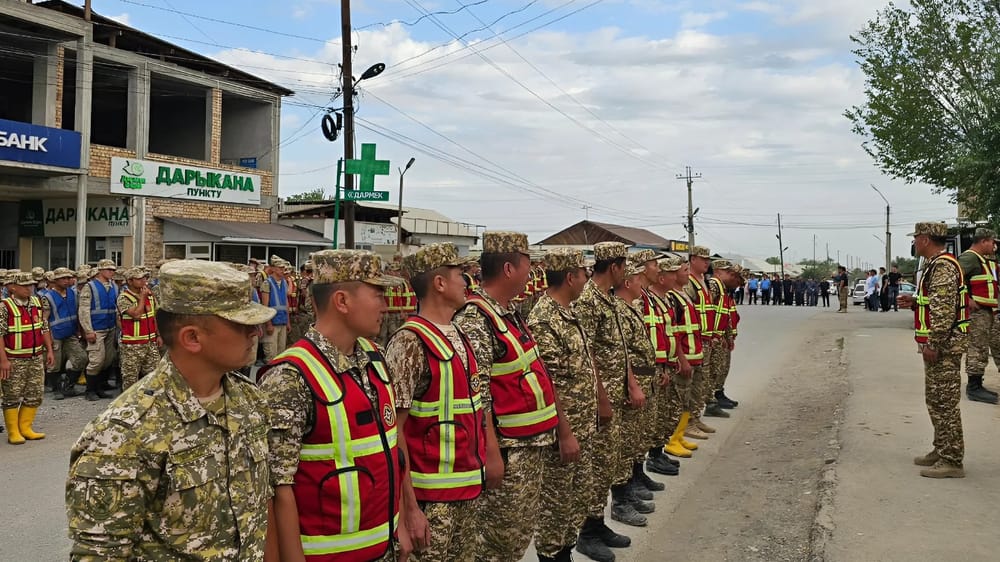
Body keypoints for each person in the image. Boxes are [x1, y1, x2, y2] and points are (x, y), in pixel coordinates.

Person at [66, 260, 275, 559]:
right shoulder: (123, 433)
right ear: (192, 338)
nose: (254, 332)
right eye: (241, 324)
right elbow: (101, 553)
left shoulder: (250, 400)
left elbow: (260, 511)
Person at [259, 249, 412, 562]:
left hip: (384, 547)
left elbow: (389, 452)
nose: (385, 305)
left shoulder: (375, 357)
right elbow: (276, 488)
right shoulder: (290, 376)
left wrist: (403, 522)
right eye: (377, 294)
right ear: (342, 301)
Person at [452, 232, 563, 561]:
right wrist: (491, 451)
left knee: (516, 539)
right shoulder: (475, 319)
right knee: (497, 544)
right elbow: (478, 393)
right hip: (509, 452)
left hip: (528, 448)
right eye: (528, 266)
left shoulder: (507, 313)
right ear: (510, 269)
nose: (532, 275)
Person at [383, 244, 487, 562]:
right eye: (460, 275)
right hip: (431, 502)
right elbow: (392, 433)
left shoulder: (457, 334)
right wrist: (409, 509)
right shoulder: (409, 342)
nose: (466, 282)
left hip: (466, 490)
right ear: (439, 283)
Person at [527, 247, 605, 562]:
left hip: (582, 426)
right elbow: (549, 385)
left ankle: (566, 551)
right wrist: (565, 432)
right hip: (565, 431)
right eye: (584, 273)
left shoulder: (569, 312)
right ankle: (553, 555)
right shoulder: (545, 319)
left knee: (576, 498)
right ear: (570, 277)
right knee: (556, 504)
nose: (588, 278)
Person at [573, 241, 649, 534]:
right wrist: (602, 399)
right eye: (625, 266)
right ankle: (590, 529)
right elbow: (587, 353)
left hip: (617, 396)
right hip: (598, 400)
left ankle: (599, 521)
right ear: (614, 267)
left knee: (609, 461)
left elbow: (620, 349)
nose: (628, 272)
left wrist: (630, 383)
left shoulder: (608, 299)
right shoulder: (588, 301)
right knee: (597, 465)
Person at [898, 222, 969, 478]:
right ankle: (941, 449)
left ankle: (952, 460)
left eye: (916, 238)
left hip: (944, 346)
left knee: (945, 403)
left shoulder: (943, 266)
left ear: (926, 239)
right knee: (936, 401)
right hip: (942, 344)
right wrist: (915, 302)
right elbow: (935, 303)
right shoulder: (935, 265)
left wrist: (933, 343)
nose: (915, 242)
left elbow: (943, 311)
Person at [1, 271, 55, 443]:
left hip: (35, 357)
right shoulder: (5, 306)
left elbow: (43, 327)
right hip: (14, 359)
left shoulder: (36, 302)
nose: (28, 289)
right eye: (24, 286)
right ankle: (13, 432)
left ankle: (25, 427)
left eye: (30, 285)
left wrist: (49, 350)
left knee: (35, 393)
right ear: (13, 288)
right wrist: (3, 361)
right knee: (12, 395)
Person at [958, 228, 999, 404]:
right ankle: (974, 387)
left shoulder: (984, 260)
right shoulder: (969, 258)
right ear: (983, 241)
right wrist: (967, 299)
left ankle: (977, 385)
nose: (994, 245)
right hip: (976, 313)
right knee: (977, 348)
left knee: (987, 347)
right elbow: (953, 279)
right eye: (992, 242)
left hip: (987, 311)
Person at [685, 245, 719, 435]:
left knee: (701, 382)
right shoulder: (688, 282)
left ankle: (696, 417)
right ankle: (688, 421)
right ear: (692, 260)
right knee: (692, 382)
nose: (706, 262)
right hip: (694, 339)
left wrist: (712, 335)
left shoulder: (704, 281)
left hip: (705, 338)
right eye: (702, 259)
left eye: (708, 259)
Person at [78, 258, 120, 400]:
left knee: (108, 359)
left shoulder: (114, 286)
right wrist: (88, 330)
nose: (111, 272)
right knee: (96, 359)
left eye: (113, 270)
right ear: (100, 270)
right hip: (97, 329)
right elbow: (83, 310)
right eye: (109, 269)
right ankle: (90, 391)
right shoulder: (89, 287)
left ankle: (100, 387)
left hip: (110, 327)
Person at [41, 267, 85, 400]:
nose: (67, 281)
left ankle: (69, 385)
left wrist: (78, 330)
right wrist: (47, 341)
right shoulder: (47, 297)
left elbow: (77, 313)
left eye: (68, 278)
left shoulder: (72, 293)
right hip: (55, 334)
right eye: (63, 278)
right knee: (54, 363)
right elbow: (44, 320)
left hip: (70, 333)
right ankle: (56, 388)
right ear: (55, 280)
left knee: (81, 358)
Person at [117, 266, 161, 391]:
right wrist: (142, 298)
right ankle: (128, 406)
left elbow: (154, 316)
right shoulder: (124, 298)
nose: (143, 281)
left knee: (154, 376)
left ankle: (150, 402)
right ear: (130, 281)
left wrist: (158, 335)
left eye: (144, 278)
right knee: (130, 378)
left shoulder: (150, 295)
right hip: (132, 344)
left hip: (150, 342)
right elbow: (136, 315)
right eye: (139, 279)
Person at [260, 255, 291, 360]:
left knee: (281, 354)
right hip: (272, 324)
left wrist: (288, 322)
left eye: (284, 268)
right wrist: (268, 324)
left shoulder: (284, 283)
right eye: (280, 268)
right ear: (273, 268)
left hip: (282, 321)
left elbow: (286, 303)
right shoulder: (267, 283)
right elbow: (265, 306)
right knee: (271, 355)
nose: (283, 270)